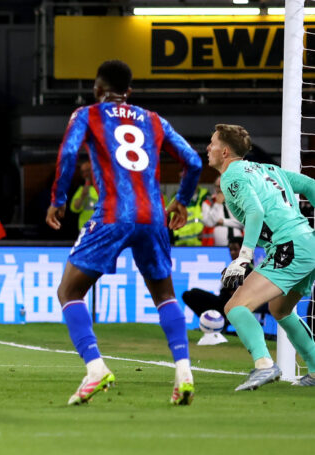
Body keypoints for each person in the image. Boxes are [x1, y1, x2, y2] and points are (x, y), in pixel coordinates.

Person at [46, 59, 202, 405]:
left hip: (114, 212)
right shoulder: (153, 119)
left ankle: (95, 368)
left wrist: (58, 199)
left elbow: (70, 152)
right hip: (154, 216)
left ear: (97, 89)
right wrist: (182, 201)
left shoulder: (88, 114)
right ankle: (184, 371)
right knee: (165, 295)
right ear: (129, 92)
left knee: (68, 291)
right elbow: (193, 161)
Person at [210, 124, 315, 389]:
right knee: (280, 309)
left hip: (288, 246)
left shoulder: (231, 177)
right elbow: (310, 185)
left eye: (211, 143)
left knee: (235, 307)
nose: (207, 148)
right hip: (307, 243)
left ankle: (264, 365)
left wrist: (243, 258)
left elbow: (255, 212)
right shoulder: (267, 169)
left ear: (224, 151)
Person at [202, 176, 243, 245]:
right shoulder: (208, 203)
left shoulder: (237, 202)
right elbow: (209, 223)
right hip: (216, 246)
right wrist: (217, 204)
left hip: (238, 244)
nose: (221, 189)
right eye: (218, 186)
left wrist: (223, 221)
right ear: (215, 188)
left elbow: (243, 223)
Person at [68, 161, 98, 230]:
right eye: (83, 172)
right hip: (85, 229)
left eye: (87, 171)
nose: (85, 174)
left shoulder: (104, 187)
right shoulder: (81, 189)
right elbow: (74, 209)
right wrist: (82, 196)